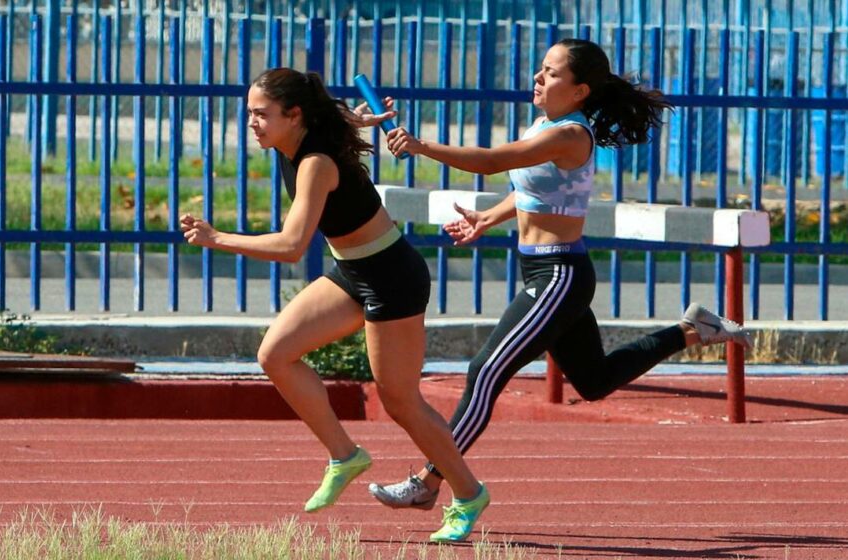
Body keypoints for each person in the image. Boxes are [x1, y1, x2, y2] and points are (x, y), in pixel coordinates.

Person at [368, 38, 754, 509]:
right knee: (593, 382)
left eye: (551, 73)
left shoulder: (570, 134)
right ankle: (692, 330)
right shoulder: (545, 124)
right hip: (545, 270)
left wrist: (421, 145)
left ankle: (430, 483)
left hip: (558, 274)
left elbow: (492, 162)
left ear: (579, 91)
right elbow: (533, 191)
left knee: (485, 371)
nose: (538, 78)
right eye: (541, 69)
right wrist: (488, 219)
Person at [180, 68, 488, 542]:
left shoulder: (315, 163)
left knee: (400, 401)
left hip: (391, 277)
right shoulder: (302, 136)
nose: (252, 123)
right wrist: (358, 119)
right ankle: (345, 456)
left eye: (261, 115)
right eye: (248, 114)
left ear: (294, 115)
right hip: (353, 271)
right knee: (275, 354)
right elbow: (337, 116)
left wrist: (216, 237)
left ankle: (467, 494)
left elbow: (291, 246)